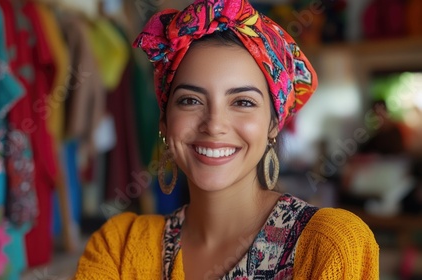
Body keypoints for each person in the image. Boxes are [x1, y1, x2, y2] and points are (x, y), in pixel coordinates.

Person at [74, 0, 379, 279]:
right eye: (191, 100)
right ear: (165, 123)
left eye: (243, 102)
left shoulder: (328, 245)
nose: (214, 125)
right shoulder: (119, 247)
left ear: (274, 124)